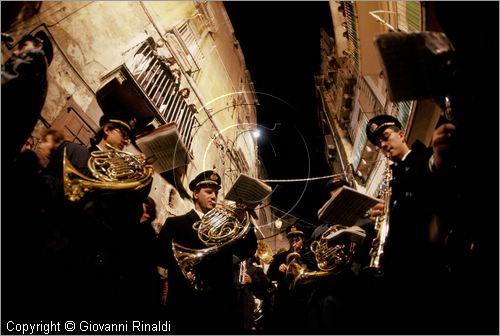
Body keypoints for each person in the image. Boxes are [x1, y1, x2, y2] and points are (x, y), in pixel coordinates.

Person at [363, 114, 448, 331]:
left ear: (401, 134)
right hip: (397, 270)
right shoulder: (393, 177)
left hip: (423, 266)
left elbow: (435, 195)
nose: (383, 145)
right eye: (378, 143)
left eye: (385, 136)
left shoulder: (424, 157)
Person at [73, 113, 154, 319]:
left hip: (98, 251)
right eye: (123, 134)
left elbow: (130, 211)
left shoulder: (125, 171)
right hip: (70, 237)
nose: (126, 141)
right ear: (107, 130)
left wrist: (144, 178)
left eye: (128, 137)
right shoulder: (76, 152)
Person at [156, 170, 257, 332]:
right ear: (195, 194)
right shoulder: (175, 223)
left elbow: (248, 250)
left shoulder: (228, 225)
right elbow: (160, 257)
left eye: (216, 193)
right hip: (186, 303)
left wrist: (244, 218)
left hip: (219, 305)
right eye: (208, 192)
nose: (214, 197)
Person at [2, 31, 53, 165]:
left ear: (39, 45)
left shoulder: (35, 55)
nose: (14, 52)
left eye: (22, 46)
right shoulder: (42, 79)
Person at [266, 225, 315, 331]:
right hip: (284, 299)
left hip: (303, 299)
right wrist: (278, 270)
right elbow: (269, 274)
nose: (294, 243)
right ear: (288, 240)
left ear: (302, 240)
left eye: (297, 240)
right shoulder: (281, 256)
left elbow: (313, 272)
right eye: (292, 240)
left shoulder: (308, 255)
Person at [233, 254, 274, 331]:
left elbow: (266, 290)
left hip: (246, 306)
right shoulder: (237, 265)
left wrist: (251, 281)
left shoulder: (255, 269)